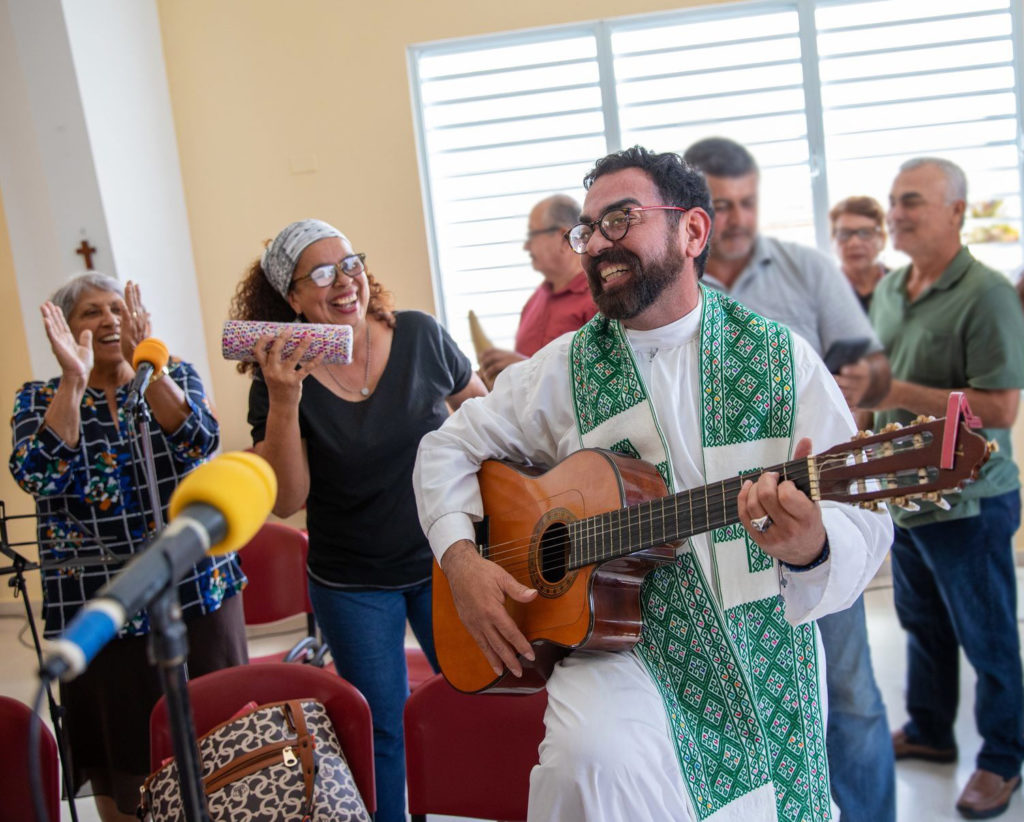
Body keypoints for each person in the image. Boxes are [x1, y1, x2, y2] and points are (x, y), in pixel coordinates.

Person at [414, 147, 891, 821]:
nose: (598, 244)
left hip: (759, 649)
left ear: (692, 232)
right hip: (623, 648)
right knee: (589, 762)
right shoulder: (562, 370)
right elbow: (447, 448)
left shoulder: (781, 360)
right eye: (587, 229)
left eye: (622, 219)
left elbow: (865, 514)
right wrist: (461, 559)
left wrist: (813, 542)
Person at [230, 218, 486, 822]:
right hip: (352, 581)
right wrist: (286, 403)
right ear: (291, 299)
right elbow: (289, 499)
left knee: (478, 698)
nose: (344, 281)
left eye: (350, 263)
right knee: (384, 728)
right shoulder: (276, 379)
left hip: (444, 558)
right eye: (320, 273)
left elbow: (484, 420)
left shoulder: (420, 335)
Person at [683, 137, 895, 822]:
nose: (739, 217)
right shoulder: (670, 291)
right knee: (737, 705)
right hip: (705, 532)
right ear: (692, 213)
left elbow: (871, 366)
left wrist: (858, 384)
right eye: (723, 204)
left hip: (810, 520)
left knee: (851, 690)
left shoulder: (806, 269)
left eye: (749, 201)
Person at [9, 273, 245, 822]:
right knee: (127, 756)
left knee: (221, 735)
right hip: (99, 604)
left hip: (194, 591)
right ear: (67, 331)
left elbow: (200, 439)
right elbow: (38, 475)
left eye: (117, 308)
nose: (109, 320)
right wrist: (73, 378)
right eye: (91, 313)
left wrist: (151, 367)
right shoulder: (39, 397)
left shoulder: (172, 372)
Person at [866, 157, 1024, 820]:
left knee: (987, 637)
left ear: (957, 212)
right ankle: (930, 732)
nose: (896, 214)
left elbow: (999, 408)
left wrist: (893, 392)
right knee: (922, 624)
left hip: (971, 501)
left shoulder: (985, 293)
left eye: (913, 202)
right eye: (892, 202)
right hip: (908, 496)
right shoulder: (888, 288)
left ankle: (1003, 758)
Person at [477, 194, 597, 383]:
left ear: (563, 238)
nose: (526, 246)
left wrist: (525, 368)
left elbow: (598, 380)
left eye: (532, 235)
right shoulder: (535, 301)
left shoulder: (598, 300)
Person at [829, 196, 889, 312]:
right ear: (833, 240)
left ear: (882, 239)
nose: (854, 243)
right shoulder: (822, 292)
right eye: (844, 234)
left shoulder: (905, 287)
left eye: (865, 233)